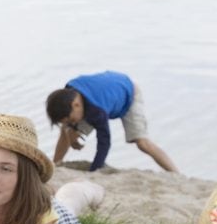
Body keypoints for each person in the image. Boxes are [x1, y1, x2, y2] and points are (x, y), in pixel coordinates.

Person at [45, 70, 178, 173]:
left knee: (142, 143)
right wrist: (70, 131)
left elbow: (104, 143)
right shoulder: (68, 93)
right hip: (105, 90)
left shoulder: (97, 111)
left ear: (76, 105)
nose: (71, 122)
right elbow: (69, 122)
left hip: (128, 94)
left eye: (72, 120)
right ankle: (55, 164)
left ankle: (176, 173)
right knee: (65, 130)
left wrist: (94, 169)